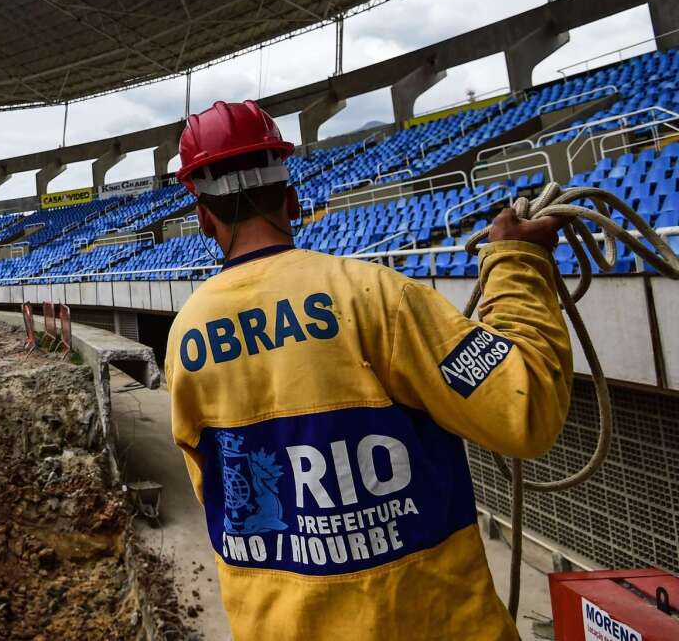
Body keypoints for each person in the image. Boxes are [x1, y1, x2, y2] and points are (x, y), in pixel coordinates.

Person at [165, 100, 573, 640]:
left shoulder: (185, 337)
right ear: (290, 199)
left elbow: (217, 490)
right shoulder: (378, 295)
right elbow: (527, 411)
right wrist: (518, 266)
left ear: (202, 216)